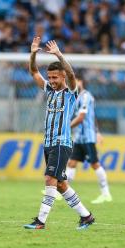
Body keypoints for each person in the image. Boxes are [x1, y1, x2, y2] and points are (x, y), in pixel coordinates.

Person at [24, 37, 95, 230]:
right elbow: (33, 71)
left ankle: (41, 221)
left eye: (56, 77)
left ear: (62, 77)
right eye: (51, 77)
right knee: (61, 184)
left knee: (50, 179)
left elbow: (71, 73)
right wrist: (33, 54)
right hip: (48, 143)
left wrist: (58, 54)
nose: (52, 81)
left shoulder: (71, 93)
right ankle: (86, 216)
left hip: (61, 143)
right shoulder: (49, 90)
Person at [66, 78, 112, 204]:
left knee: (94, 164)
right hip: (79, 137)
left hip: (88, 137)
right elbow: (93, 116)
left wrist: (66, 127)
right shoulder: (76, 97)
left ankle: (106, 194)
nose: (73, 83)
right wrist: (98, 131)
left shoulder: (86, 96)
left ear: (81, 82)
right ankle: (63, 191)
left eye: (76, 81)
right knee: (71, 163)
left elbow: (81, 118)